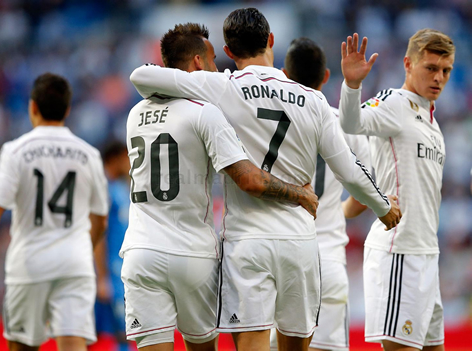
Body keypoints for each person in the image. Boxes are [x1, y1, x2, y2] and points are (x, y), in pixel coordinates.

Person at [129, 8, 401, 351]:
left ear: (228, 51)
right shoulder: (314, 100)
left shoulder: (224, 86)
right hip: (300, 242)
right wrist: (382, 207)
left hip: (248, 243)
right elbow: (348, 166)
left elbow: (143, 76)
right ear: (270, 40)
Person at [120, 22, 318, 351]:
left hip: (141, 250)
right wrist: (300, 193)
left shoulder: (135, 114)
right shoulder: (206, 112)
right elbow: (249, 179)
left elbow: (143, 78)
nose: (217, 67)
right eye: (212, 59)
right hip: (192, 252)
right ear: (198, 62)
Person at [339, 30, 454, 350]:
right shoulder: (394, 103)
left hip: (427, 254)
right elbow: (351, 124)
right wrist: (352, 85)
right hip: (398, 252)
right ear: (408, 63)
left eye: (446, 70)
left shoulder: (432, 122)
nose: (439, 78)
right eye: (430, 68)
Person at [0, 73, 109, 351]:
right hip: (74, 264)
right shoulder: (88, 154)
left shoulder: (15, 151)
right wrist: (83, 249)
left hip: (29, 264)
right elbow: (100, 218)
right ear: (67, 109)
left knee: (22, 346)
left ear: (32, 107)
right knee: (73, 344)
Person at [268, 37, 371, 351]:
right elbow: (365, 193)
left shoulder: (269, 121)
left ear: (284, 73)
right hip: (327, 258)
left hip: (278, 257)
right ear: (326, 76)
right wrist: (335, 213)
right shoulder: (345, 125)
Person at [94, 141, 131, 351]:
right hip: (111, 273)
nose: (130, 162)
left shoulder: (123, 188)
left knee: (120, 331)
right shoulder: (106, 190)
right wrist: (102, 276)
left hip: (122, 272)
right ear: (114, 159)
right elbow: (99, 234)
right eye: (126, 157)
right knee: (119, 332)